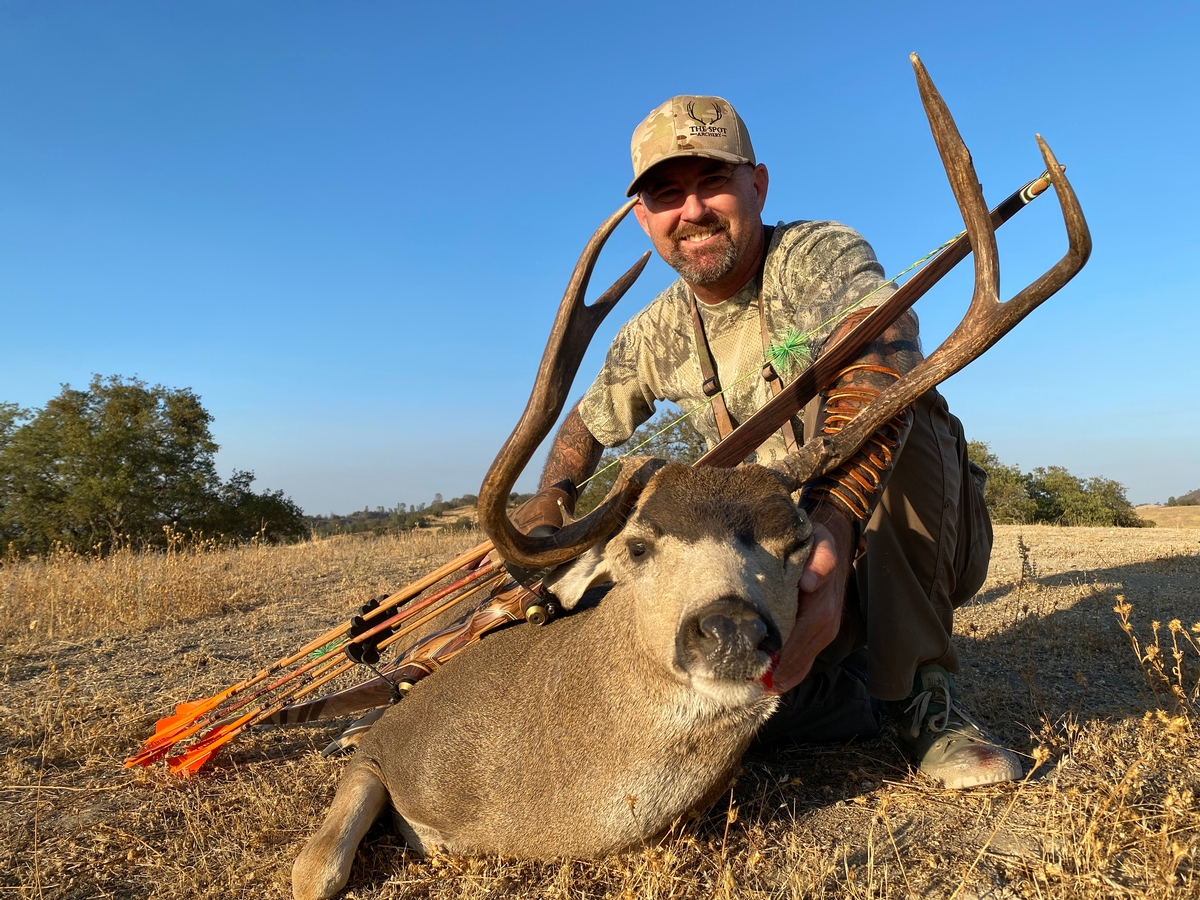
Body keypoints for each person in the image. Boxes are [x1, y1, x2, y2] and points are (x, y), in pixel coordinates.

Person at [525, 95, 1020, 789]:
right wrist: (552, 496)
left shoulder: (816, 255)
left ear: (757, 185)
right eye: (667, 194)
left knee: (908, 409)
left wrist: (837, 518)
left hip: (883, 538)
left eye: (712, 183)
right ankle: (833, 695)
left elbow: (888, 345)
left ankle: (918, 690)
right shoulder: (652, 332)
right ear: (644, 219)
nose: (691, 211)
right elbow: (583, 426)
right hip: (770, 567)